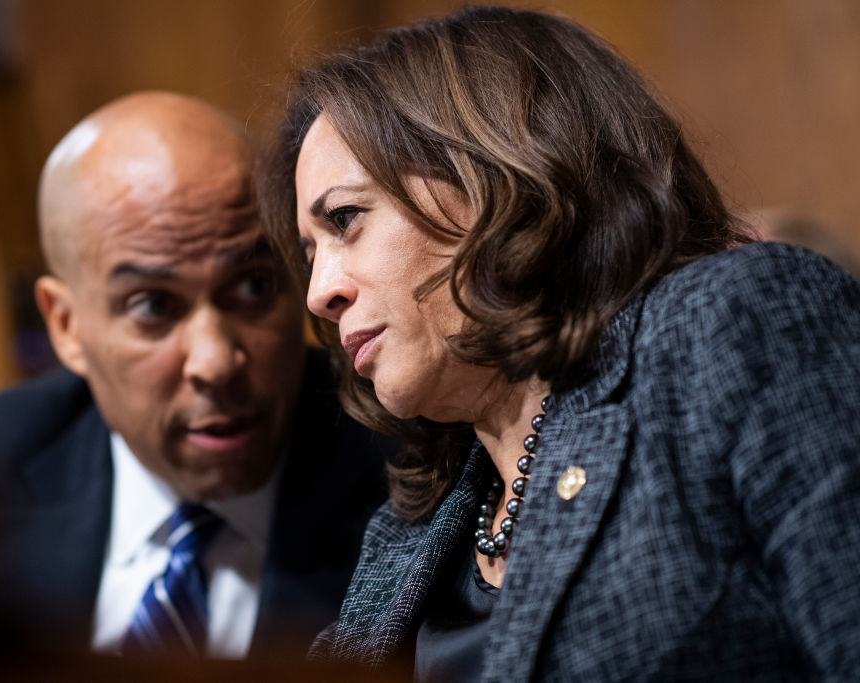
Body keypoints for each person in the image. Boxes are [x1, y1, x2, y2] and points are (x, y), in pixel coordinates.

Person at [260, 7, 860, 680]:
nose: (319, 293)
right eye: (310, 253)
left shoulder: (734, 323)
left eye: (346, 219)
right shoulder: (409, 530)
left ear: (498, 172)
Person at [0, 91, 390, 661]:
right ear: (66, 326)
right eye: (153, 306)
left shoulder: (416, 475)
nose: (215, 362)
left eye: (254, 287)